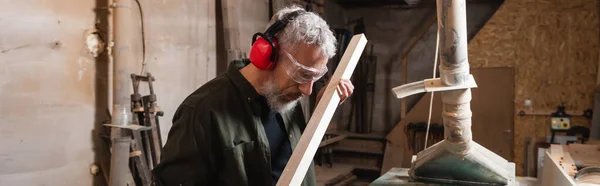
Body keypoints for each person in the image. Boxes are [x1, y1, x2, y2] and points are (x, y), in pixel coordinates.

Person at [152, 5, 354, 186]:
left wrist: (320, 115)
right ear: (269, 54)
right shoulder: (202, 112)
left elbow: (293, 164)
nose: (307, 91)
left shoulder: (286, 101)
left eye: (315, 77)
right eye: (302, 74)